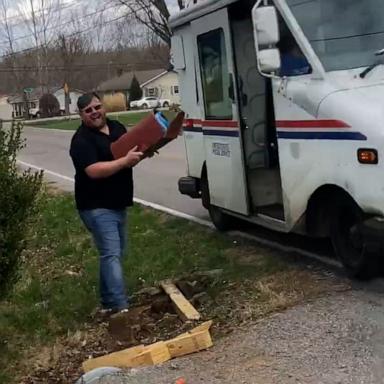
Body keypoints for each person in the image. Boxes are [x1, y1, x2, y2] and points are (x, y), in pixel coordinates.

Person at [69, 92, 143, 315]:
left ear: (103, 107)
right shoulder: (81, 140)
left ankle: (108, 301)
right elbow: (94, 171)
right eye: (88, 110)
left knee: (113, 253)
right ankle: (120, 309)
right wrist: (124, 162)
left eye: (96, 107)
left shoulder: (117, 127)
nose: (94, 112)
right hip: (95, 206)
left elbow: (132, 153)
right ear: (81, 115)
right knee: (111, 254)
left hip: (118, 202)